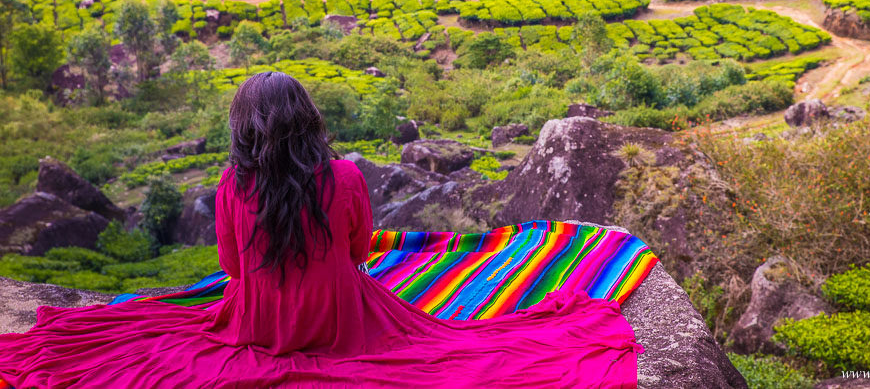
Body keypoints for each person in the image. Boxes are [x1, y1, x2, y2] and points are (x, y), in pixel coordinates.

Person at [0, 72, 642, 387]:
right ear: (308, 121)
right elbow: (363, 252)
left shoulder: (230, 187)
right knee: (468, 353)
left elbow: (228, 267)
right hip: (343, 320)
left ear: (244, 130)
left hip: (257, 325)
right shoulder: (350, 178)